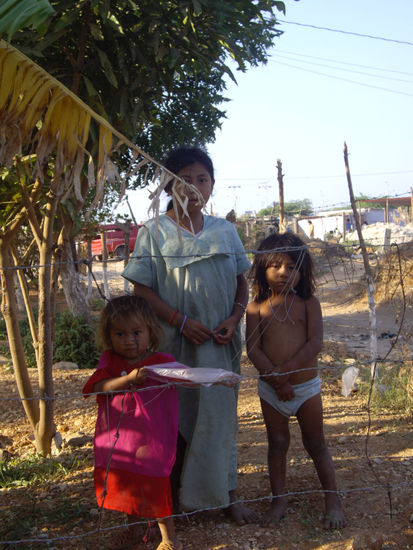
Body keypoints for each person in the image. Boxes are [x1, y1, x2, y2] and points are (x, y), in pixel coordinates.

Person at [122, 146, 256, 524]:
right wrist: (180, 321)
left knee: (219, 419)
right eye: (184, 181)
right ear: (168, 186)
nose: (193, 188)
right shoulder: (153, 232)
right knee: (174, 421)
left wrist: (234, 316)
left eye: (202, 179)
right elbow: (142, 290)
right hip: (173, 343)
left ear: (212, 185)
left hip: (218, 343)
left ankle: (227, 495)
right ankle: (174, 502)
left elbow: (241, 282)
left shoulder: (226, 231)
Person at [246, 232, 345, 530]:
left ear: (303, 271)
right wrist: (275, 380)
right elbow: (253, 348)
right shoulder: (257, 306)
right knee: (277, 443)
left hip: (305, 389)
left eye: (291, 267)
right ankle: (279, 500)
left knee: (316, 443)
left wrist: (285, 374)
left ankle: (333, 500)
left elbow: (315, 343)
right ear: (263, 268)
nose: (283, 273)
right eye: (275, 266)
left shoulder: (308, 303)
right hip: (271, 389)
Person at [82, 295, 182, 550]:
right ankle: (133, 530)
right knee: (130, 483)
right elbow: (98, 387)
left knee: (155, 484)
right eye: (120, 334)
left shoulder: (161, 363)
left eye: (137, 332)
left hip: (151, 439)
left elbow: (186, 376)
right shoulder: (110, 362)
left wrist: (217, 377)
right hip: (122, 441)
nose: (129, 340)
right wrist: (127, 381)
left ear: (151, 331)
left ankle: (169, 539)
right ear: (108, 335)